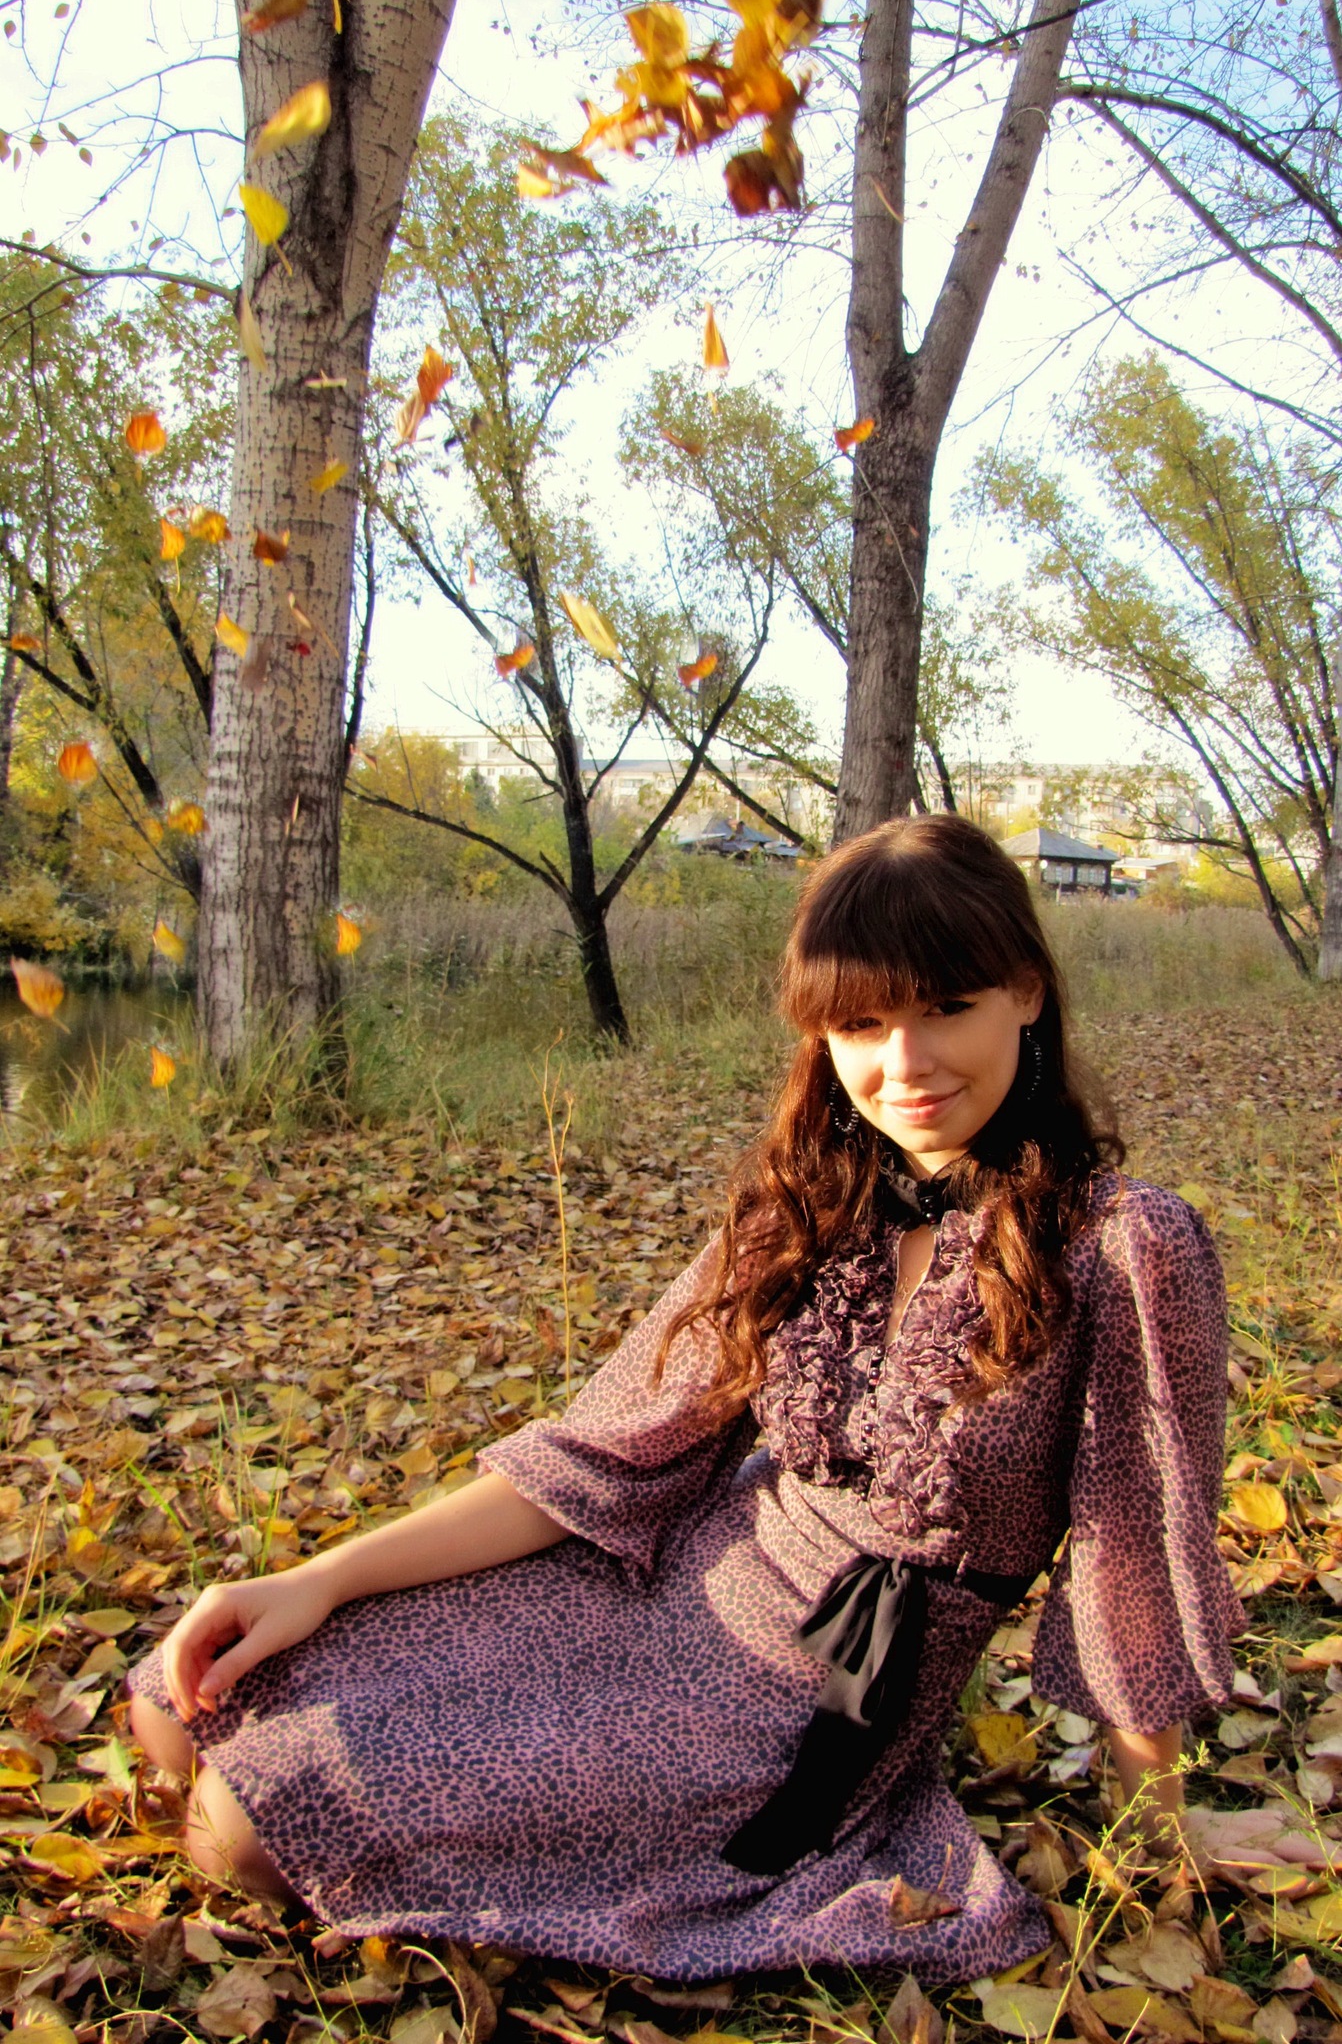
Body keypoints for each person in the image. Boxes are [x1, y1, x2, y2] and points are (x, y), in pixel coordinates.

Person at [128, 814, 1242, 1986]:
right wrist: (319, 1577)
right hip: (677, 1576)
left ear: (1025, 990)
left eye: (946, 1006)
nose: (905, 1062)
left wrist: (1156, 1835)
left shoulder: (1123, 1246)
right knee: (179, 1701)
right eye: (861, 1024)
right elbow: (600, 1451)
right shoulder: (807, 1200)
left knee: (238, 1830)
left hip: (827, 1688)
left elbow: (1134, 1560)